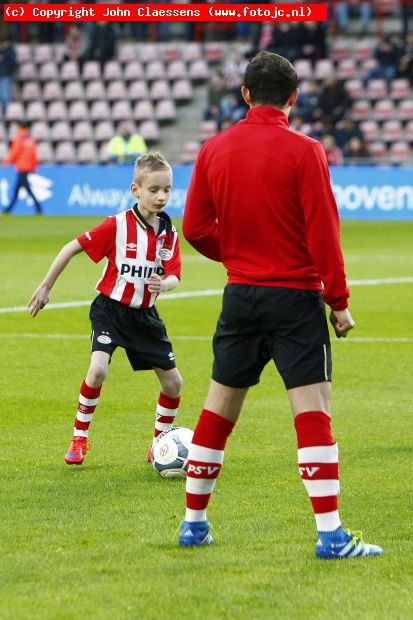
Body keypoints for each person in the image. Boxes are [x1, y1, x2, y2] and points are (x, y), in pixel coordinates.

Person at [178, 51, 382, 559]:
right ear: (294, 96)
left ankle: (193, 524)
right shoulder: (306, 150)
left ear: (245, 94)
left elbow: (195, 229)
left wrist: (243, 256)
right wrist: (339, 301)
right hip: (295, 298)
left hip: (241, 295)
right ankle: (331, 534)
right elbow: (323, 233)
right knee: (312, 412)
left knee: (218, 408)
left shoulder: (212, 149)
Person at [28, 153, 182, 465]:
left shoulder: (169, 232)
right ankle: (79, 437)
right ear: (135, 190)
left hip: (145, 317)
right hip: (110, 310)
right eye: (154, 189)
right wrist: (46, 286)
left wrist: (163, 285)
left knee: (174, 383)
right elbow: (70, 248)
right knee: (98, 369)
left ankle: (161, 444)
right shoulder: (117, 225)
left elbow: (174, 274)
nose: (162, 196)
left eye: (166, 189)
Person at [2, 121, 42, 215]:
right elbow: (34, 156)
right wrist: (33, 167)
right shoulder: (30, 140)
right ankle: (9, 209)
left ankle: (38, 208)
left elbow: (15, 152)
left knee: (24, 189)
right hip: (27, 167)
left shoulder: (19, 138)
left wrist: (5, 162)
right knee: (19, 189)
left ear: (20, 128)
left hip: (21, 167)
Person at [0, 38, 17, 115]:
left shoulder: (9, 51)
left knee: (4, 96)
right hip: (4, 75)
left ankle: (5, 114)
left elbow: (12, 64)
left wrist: (3, 58)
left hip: (4, 75)